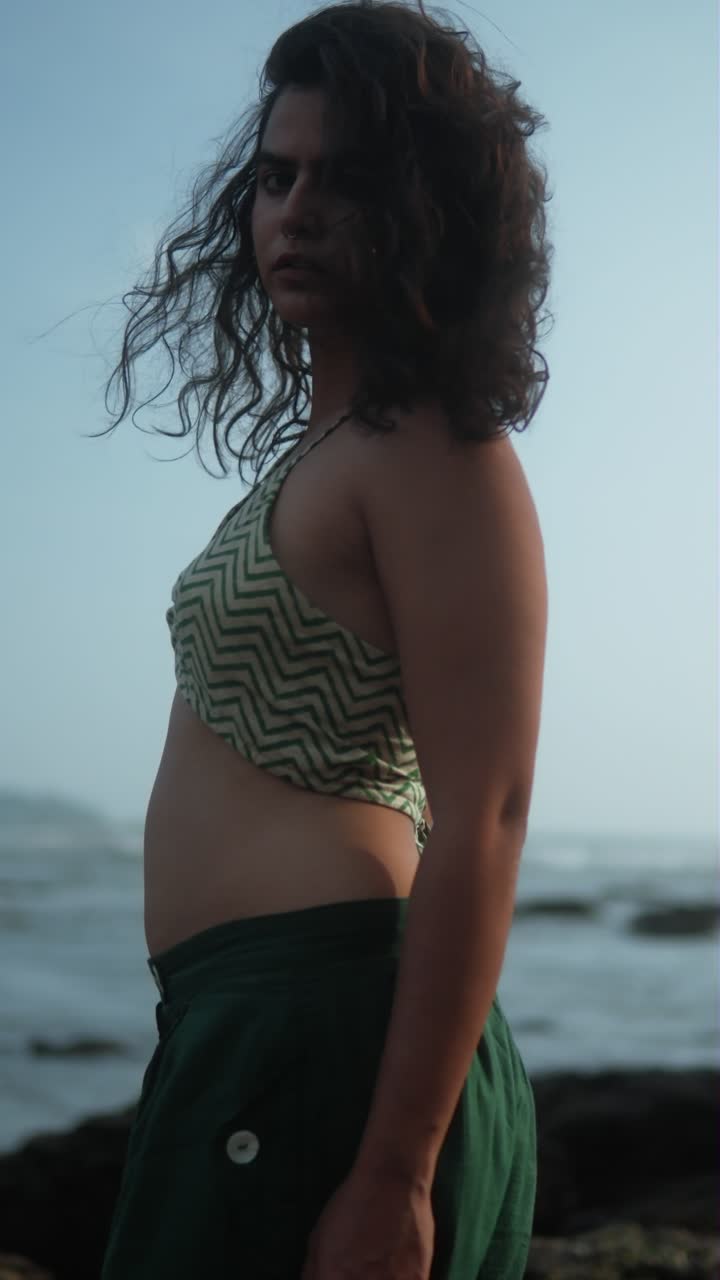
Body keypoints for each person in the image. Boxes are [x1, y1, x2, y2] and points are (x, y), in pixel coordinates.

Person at [97, 1, 553, 1276]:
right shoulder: (338, 447)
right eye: (276, 175)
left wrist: (397, 1171)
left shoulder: (437, 447)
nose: (293, 211)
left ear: (427, 211)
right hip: (245, 1033)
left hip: (329, 1042)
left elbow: (491, 815)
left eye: (344, 181)